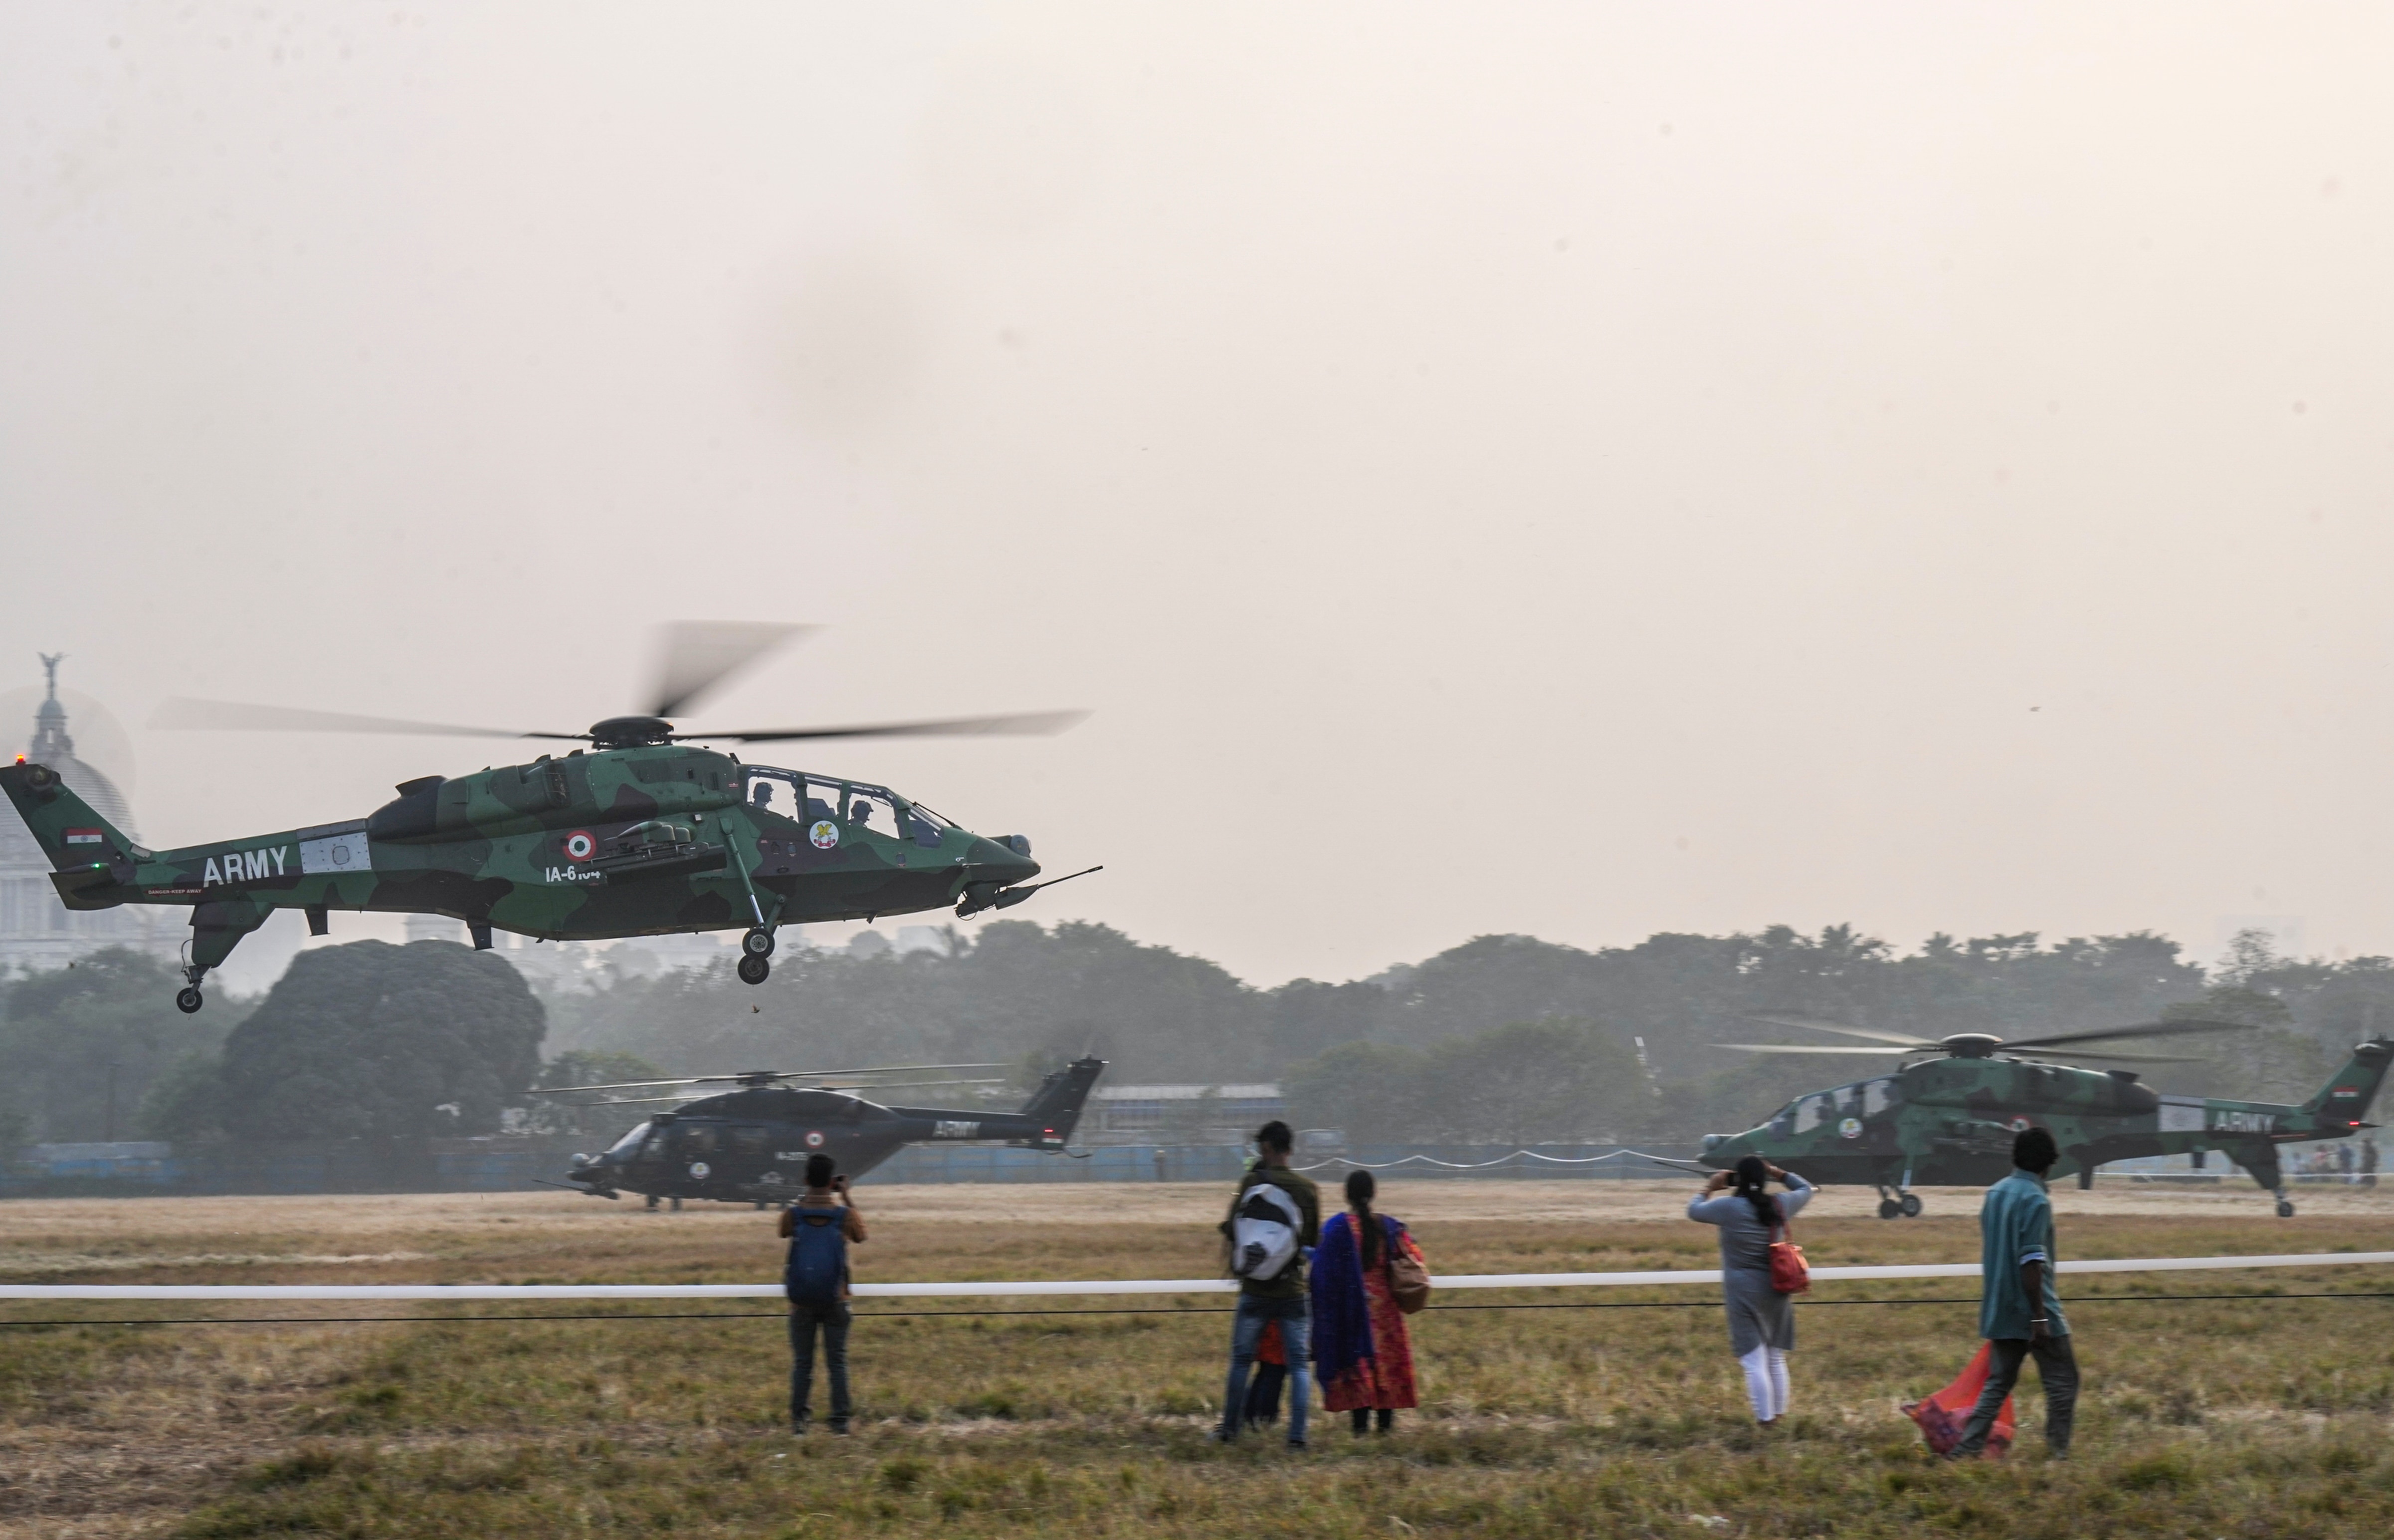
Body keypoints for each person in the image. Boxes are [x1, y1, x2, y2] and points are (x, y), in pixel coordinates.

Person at [1951, 1128, 2077, 1460]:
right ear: (2049, 1164)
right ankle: (2058, 1456)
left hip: (2000, 1307)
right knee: (2063, 1383)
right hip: (2034, 1308)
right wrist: (2039, 1317)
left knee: (1998, 1383)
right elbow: (2031, 1262)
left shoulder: (1995, 1194)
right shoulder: (2036, 1200)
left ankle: (1966, 1451)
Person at [1215, 1120, 1321, 1447]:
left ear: (1266, 1149)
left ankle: (1230, 1431)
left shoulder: (1250, 1182)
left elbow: (1233, 1230)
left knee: (1241, 1362)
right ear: (1290, 1149)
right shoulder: (1307, 1189)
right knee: (1299, 1367)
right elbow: (1311, 1240)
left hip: (1254, 1290)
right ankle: (1297, 1438)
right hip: (1291, 1290)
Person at [1687, 1154, 1812, 1425]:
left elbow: (1694, 1210)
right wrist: (1777, 1172)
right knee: (1774, 1356)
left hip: (1742, 1290)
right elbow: (1805, 1188)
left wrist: (1709, 1187)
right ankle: (1776, 1417)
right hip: (1777, 1287)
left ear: (1737, 1180)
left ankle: (1764, 1419)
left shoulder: (1728, 1208)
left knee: (1753, 1360)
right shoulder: (1780, 1205)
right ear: (1764, 1177)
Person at [1312, 1168, 1425, 1435]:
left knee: (1357, 1364)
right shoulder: (1388, 1226)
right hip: (1385, 1309)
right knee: (1385, 1365)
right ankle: (1386, 1428)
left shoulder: (1337, 1228)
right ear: (1373, 1194)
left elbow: (1321, 1271)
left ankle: (1359, 1429)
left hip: (1352, 1309)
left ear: (1346, 1194)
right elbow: (1413, 1257)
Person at [778, 1153, 867, 1433]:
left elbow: (782, 1232)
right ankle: (840, 1424)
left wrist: (804, 1199)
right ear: (832, 1182)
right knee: (837, 1362)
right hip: (836, 1300)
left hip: (802, 1303)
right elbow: (861, 1235)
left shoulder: (793, 1215)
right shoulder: (843, 1216)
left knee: (802, 1364)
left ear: (805, 1180)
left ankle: (800, 1424)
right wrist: (846, 1197)